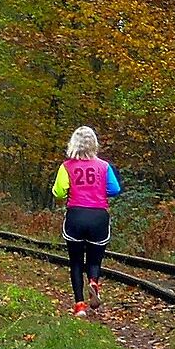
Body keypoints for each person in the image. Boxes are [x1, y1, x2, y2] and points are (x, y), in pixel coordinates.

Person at [50, 126, 121, 316]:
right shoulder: (104, 166)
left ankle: (79, 305)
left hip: (76, 216)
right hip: (98, 217)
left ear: (73, 144)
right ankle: (94, 282)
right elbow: (115, 190)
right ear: (94, 144)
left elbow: (58, 192)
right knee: (95, 259)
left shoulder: (66, 166)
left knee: (75, 262)